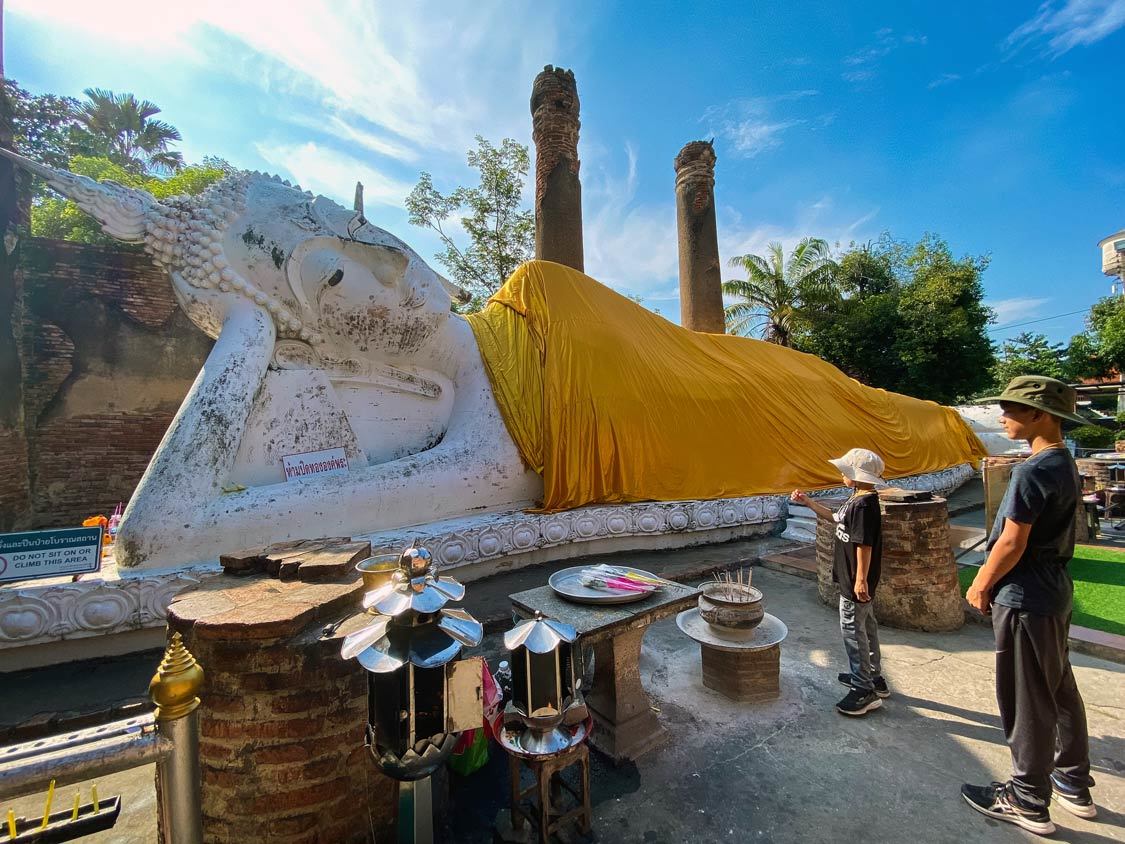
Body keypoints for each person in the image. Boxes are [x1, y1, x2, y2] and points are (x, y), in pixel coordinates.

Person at [961, 375, 1095, 836]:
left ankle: (1028, 799)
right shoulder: (1059, 462)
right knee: (1057, 688)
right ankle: (1073, 781)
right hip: (1053, 590)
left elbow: (1012, 541)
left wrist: (981, 583)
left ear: (1040, 415)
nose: (1002, 417)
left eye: (1012, 409)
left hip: (1025, 597)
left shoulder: (1032, 471)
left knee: (1027, 699)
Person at [791, 447, 887, 716]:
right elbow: (835, 519)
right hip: (854, 578)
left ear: (856, 475)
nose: (841, 475)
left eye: (845, 471)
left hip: (856, 581)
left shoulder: (864, 505)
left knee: (853, 632)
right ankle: (873, 677)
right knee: (867, 626)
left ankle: (863, 689)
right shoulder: (856, 499)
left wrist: (860, 580)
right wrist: (808, 502)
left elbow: (864, 545)